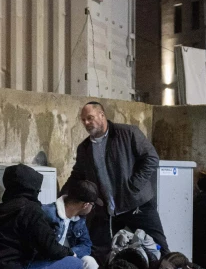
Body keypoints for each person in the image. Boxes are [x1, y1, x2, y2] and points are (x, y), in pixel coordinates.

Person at [66, 101, 167, 252]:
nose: (86, 123)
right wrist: (63, 199)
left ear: (102, 115)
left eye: (90, 118)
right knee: (101, 252)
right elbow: (77, 175)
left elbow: (151, 158)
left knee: (159, 248)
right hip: (107, 211)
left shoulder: (128, 133)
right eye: (83, 120)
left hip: (138, 206)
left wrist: (133, 186)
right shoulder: (84, 148)